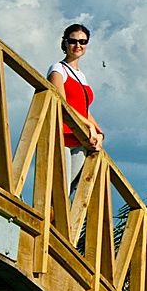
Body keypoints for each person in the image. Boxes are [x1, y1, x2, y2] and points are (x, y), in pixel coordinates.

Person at [47, 24, 104, 193]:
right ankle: (48, 219)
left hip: (79, 139)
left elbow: (84, 109)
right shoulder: (58, 69)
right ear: (65, 43)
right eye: (73, 41)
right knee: (59, 189)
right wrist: (89, 126)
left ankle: (64, 220)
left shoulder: (81, 75)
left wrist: (99, 133)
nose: (78, 45)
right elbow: (62, 104)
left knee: (72, 190)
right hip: (62, 135)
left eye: (82, 41)